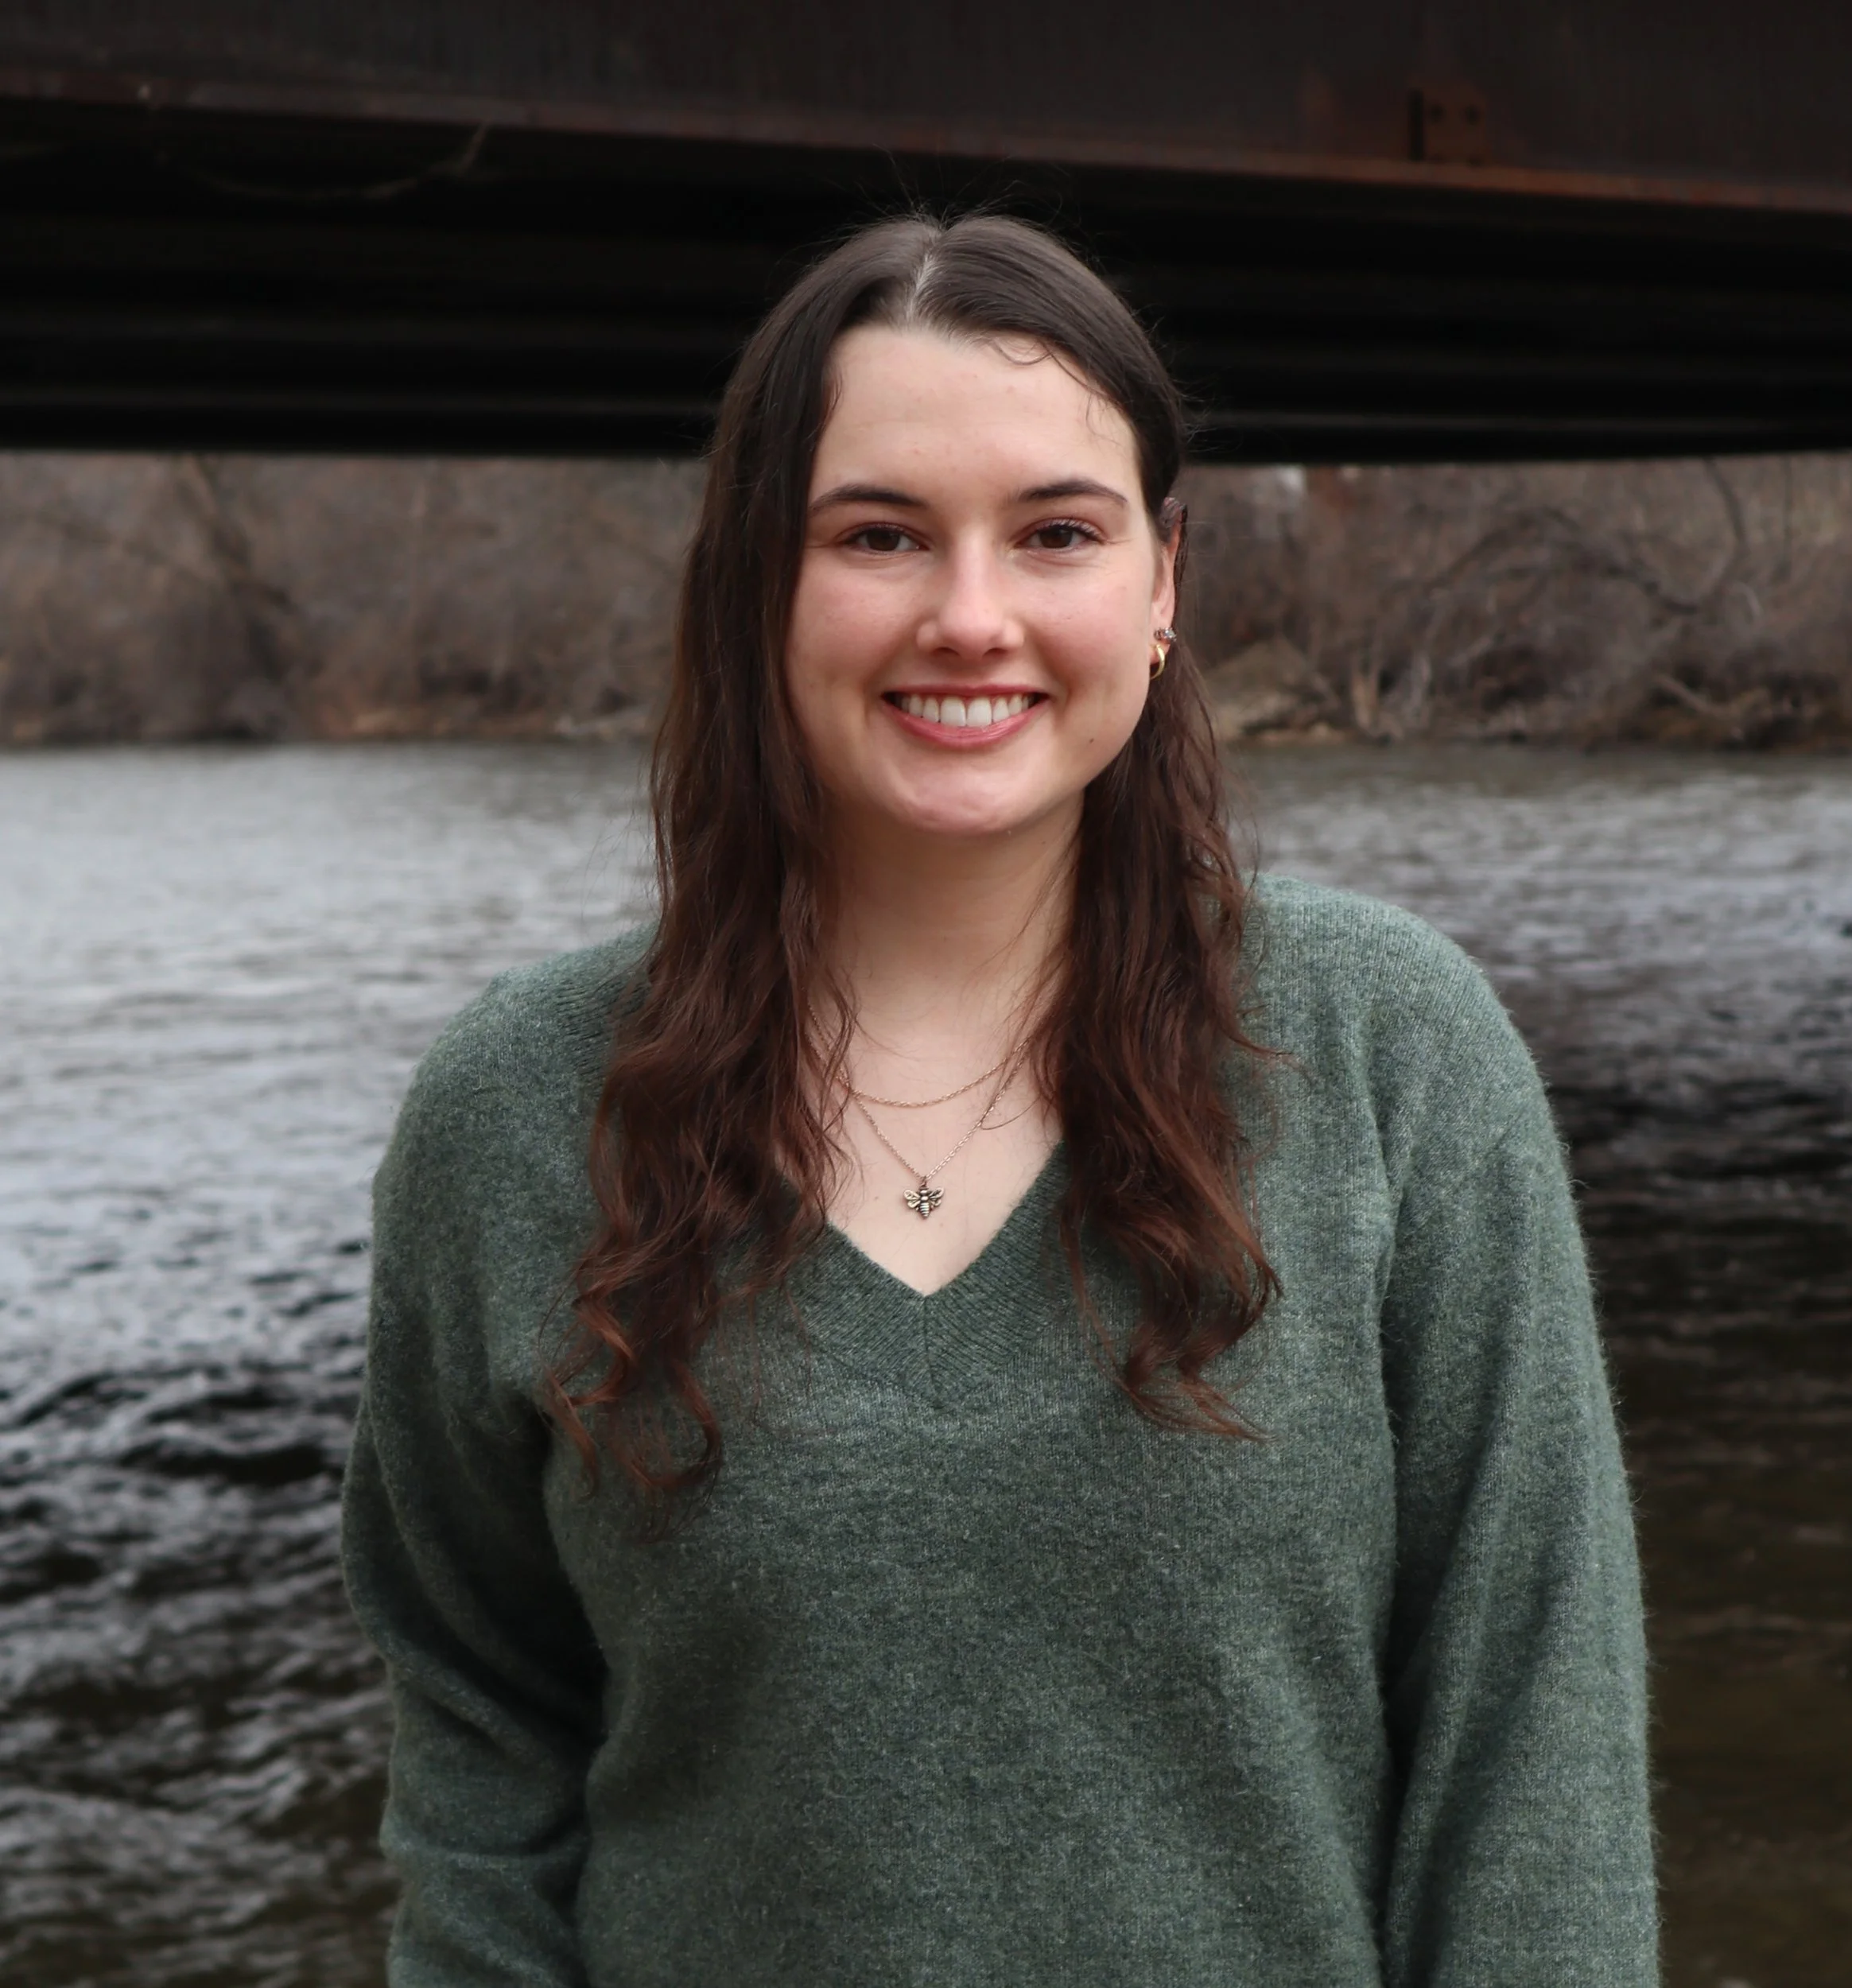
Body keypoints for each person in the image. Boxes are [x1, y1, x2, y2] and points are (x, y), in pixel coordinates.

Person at [341, 212, 1657, 1987]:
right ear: (754, 576)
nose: (970, 616)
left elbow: (1530, 1746)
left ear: (1163, 575)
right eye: (878, 535)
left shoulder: (1384, 1054)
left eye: (1053, 533)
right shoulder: (515, 1116)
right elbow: (482, 1743)